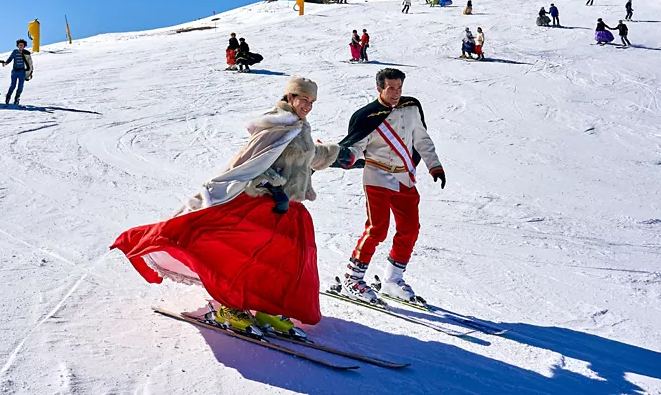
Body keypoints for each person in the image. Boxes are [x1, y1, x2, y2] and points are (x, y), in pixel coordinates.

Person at [111, 78, 340, 335]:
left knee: (286, 261)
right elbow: (250, 163)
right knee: (238, 255)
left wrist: (335, 153)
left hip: (289, 209)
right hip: (263, 203)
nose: (308, 106)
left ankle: (268, 306)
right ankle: (228, 306)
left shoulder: (299, 127)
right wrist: (274, 187)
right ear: (290, 96)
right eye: (304, 99)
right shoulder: (277, 125)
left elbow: (305, 155)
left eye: (312, 102)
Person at [330, 68, 445, 303]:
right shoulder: (366, 116)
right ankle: (353, 278)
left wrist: (435, 165)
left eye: (399, 88)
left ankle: (393, 280)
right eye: (391, 88)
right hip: (377, 177)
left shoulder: (411, 107)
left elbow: (421, 139)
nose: (396, 93)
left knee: (410, 229)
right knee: (377, 229)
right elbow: (356, 146)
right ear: (379, 88)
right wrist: (348, 157)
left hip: (404, 178)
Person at [3, 39, 33, 107]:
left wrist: (30, 71)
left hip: (22, 71)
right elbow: (10, 58)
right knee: (13, 85)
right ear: (17, 45)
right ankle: (8, 97)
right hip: (14, 71)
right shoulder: (15, 52)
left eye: (22, 45)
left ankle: (17, 98)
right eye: (19, 45)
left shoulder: (26, 53)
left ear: (24, 46)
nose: (21, 46)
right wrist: (5, 63)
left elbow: (29, 62)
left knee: (20, 86)